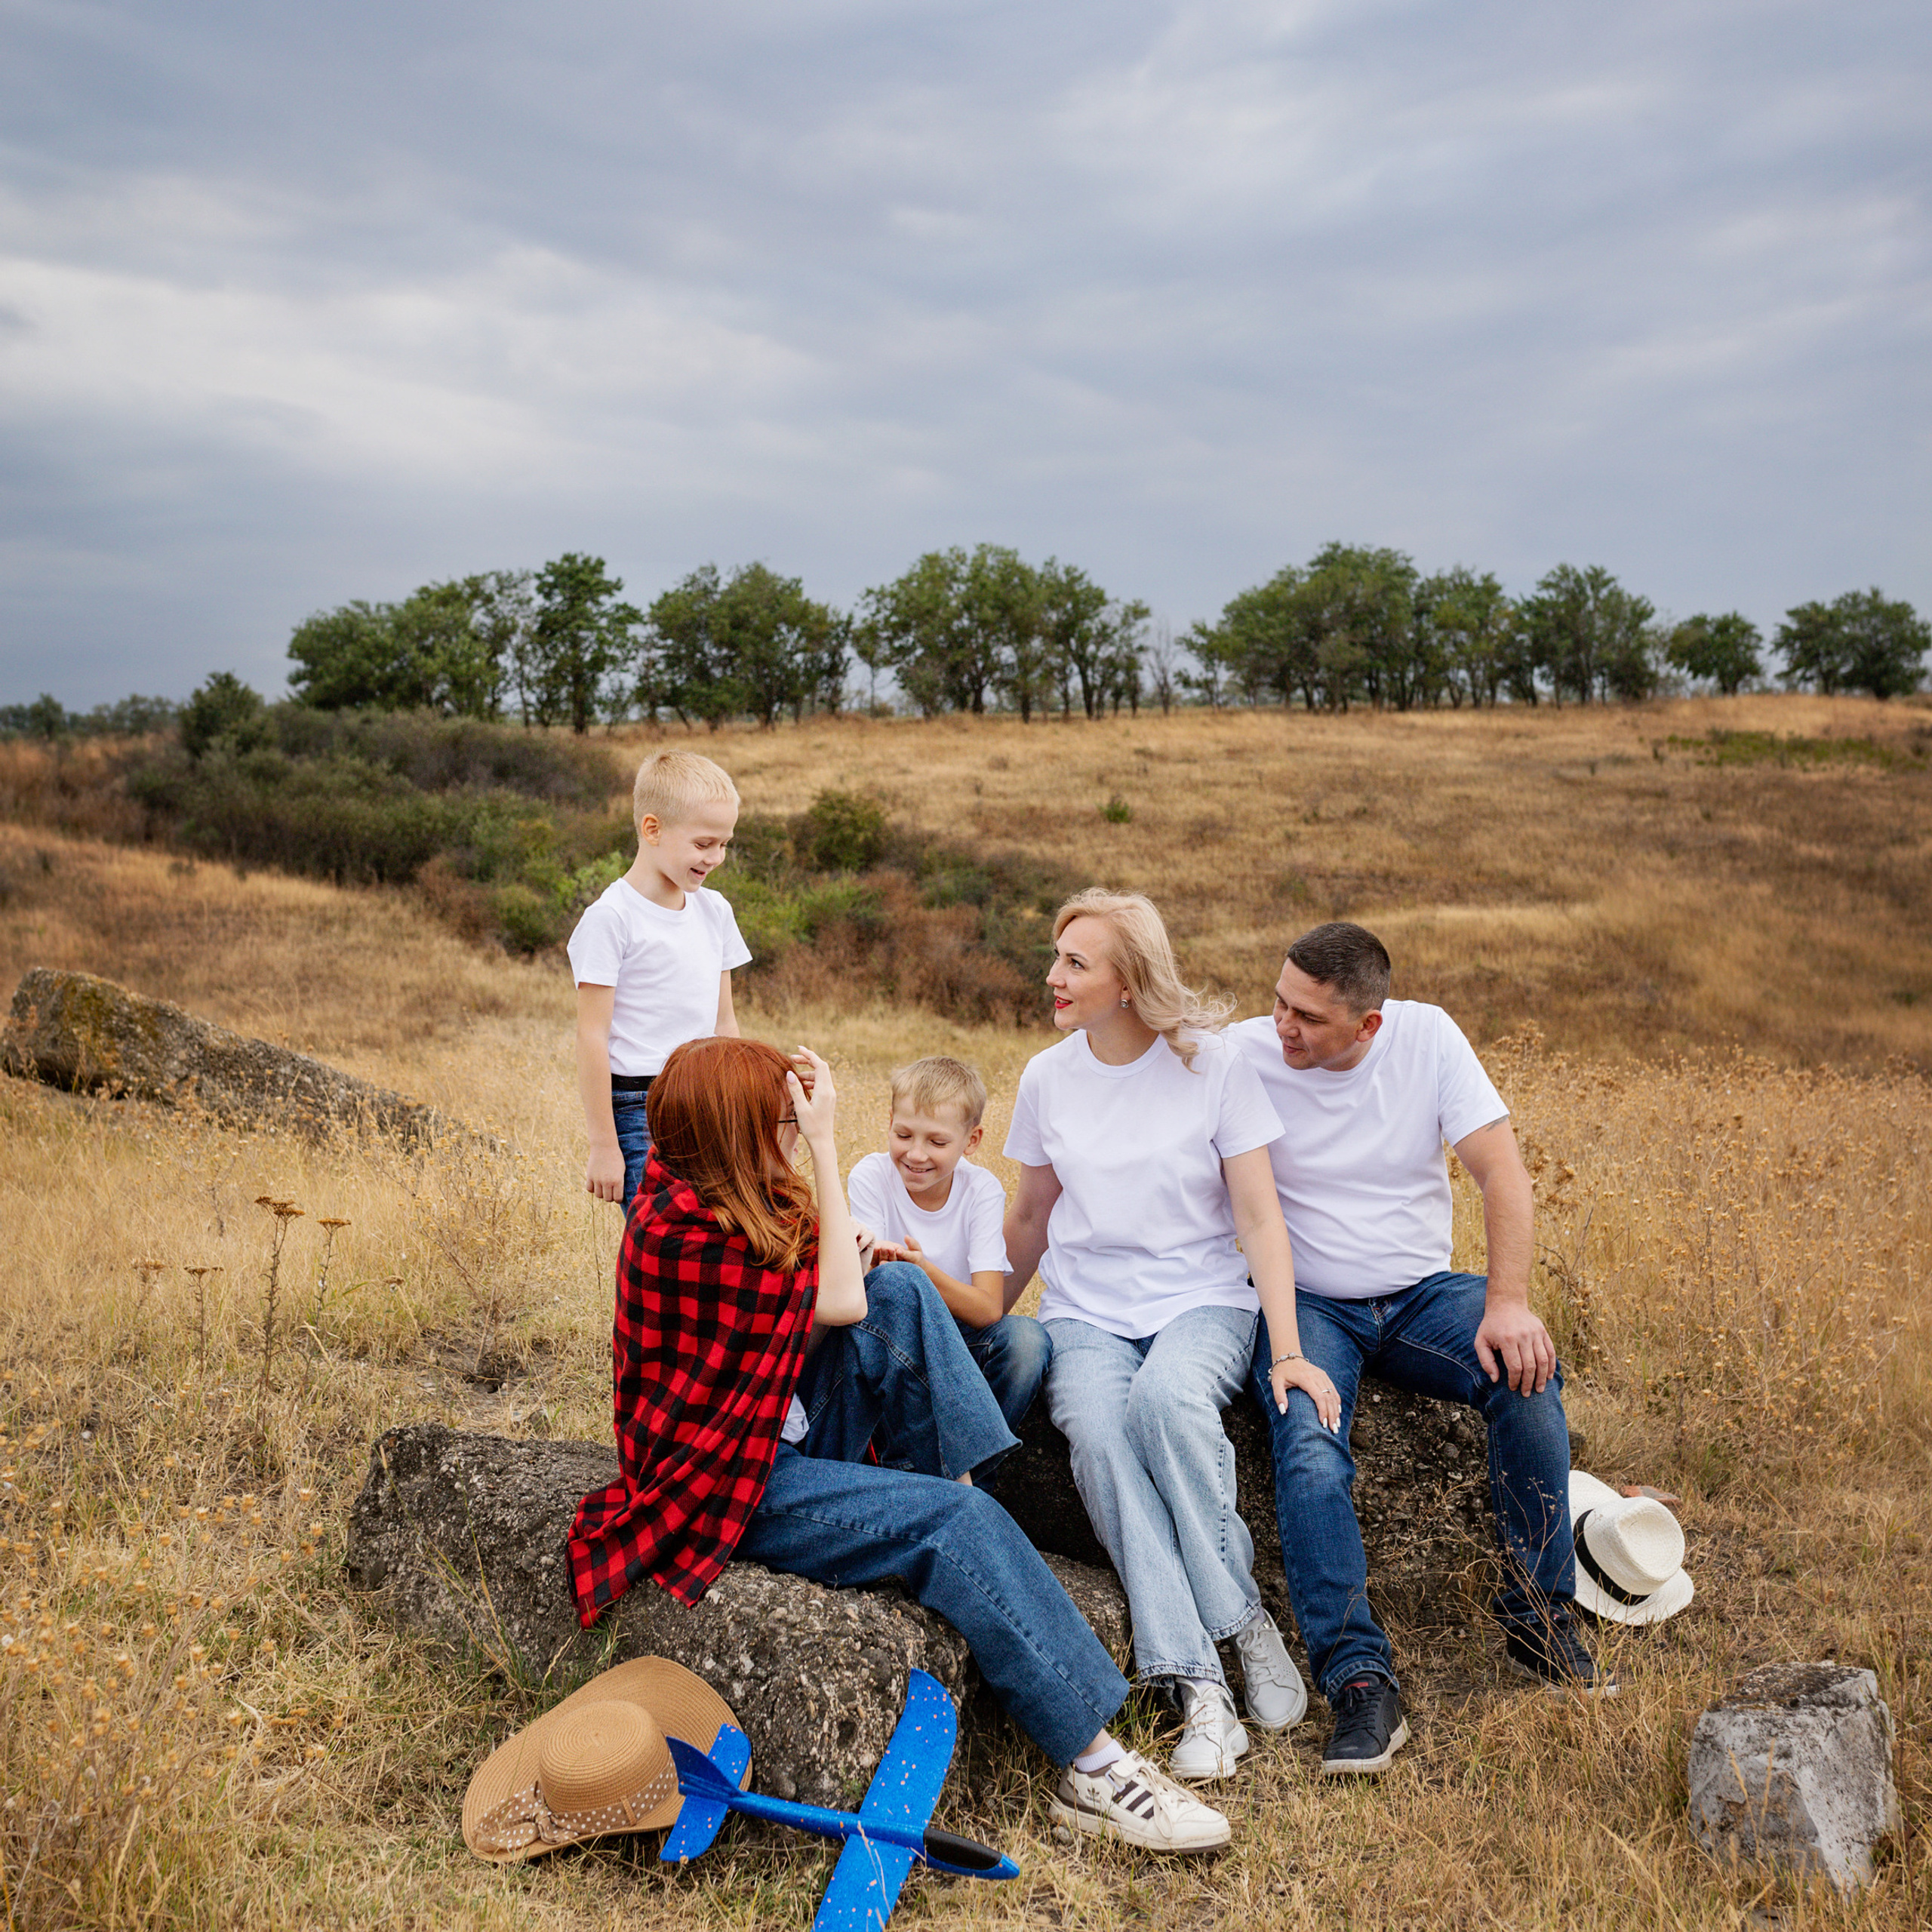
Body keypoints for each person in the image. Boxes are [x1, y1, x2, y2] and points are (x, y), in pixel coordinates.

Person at [565, 1034, 1233, 1854]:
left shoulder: (702, 1189)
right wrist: (823, 1139)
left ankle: (958, 1487)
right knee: (953, 1515)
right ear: (732, 1132)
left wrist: (840, 1240)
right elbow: (835, 1304)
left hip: (770, 1426)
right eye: (776, 1121)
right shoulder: (681, 1229)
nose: (790, 1133)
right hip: (729, 1486)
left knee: (902, 1287)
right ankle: (1091, 1766)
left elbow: (835, 1302)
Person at [1228, 921, 1611, 1781]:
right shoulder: (1241, 1054)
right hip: (1307, 1307)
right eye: (1278, 1001)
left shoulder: (1427, 1037)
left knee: (1527, 1374)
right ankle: (1360, 1680)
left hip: (1419, 1294)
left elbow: (1501, 1174)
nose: (1281, 1026)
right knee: (1309, 1445)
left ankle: (1541, 1623)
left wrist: (1506, 1302)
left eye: (1307, 1017)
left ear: (1368, 1024)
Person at [1002, 889, 1341, 1784]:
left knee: (1166, 1403)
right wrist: (978, 1315)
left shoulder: (1214, 1065)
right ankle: (1200, 1688)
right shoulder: (1046, 1077)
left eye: (1077, 960)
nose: (1054, 975)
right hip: (1085, 1311)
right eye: (1056, 954)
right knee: (1101, 1437)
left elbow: (1261, 1219)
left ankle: (1241, 1625)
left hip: (1201, 1296)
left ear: (1130, 979)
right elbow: (1031, 1216)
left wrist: (1291, 1347)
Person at [567, 749, 751, 1213]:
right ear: (653, 829)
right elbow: (592, 1036)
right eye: (704, 843)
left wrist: (740, 1099)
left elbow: (725, 1023)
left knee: (719, 1232)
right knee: (658, 1242)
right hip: (638, 1107)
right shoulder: (611, 918)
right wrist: (604, 1146)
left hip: (708, 1097)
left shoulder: (716, 911)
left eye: (725, 843)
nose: (717, 857)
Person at [846, 1054, 1051, 1436]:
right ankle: (909, 1461)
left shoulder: (982, 1191)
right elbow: (869, 1295)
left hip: (961, 1339)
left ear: (971, 1141)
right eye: (903, 1135)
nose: (916, 1154)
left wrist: (921, 1272)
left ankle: (978, 1469)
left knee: (1026, 1341)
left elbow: (989, 1308)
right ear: (890, 1124)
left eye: (937, 1141)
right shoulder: (871, 1176)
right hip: (896, 1340)